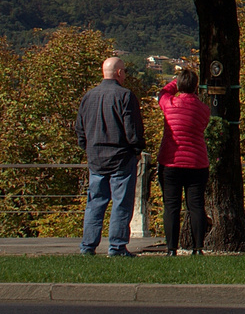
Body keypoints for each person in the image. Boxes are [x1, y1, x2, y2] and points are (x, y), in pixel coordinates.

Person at [74, 56, 145, 257]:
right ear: (119, 73)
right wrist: (137, 149)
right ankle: (117, 246)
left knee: (95, 203)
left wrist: (87, 148)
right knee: (121, 204)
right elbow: (132, 129)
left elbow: (80, 128)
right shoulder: (125, 96)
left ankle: (88, 246)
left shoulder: (89, 96)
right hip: (121, 157)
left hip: (96, 158)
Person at [157, 65, 211, 255]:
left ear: (179, 86)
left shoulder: (169, 104)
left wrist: (176, 82)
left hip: (170, 161)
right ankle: (198, 247)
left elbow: (163, 92)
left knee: (171, 206)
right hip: (196, 161)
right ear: (196, 87)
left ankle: (171, 248)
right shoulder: (204, 110)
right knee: (196, 206)